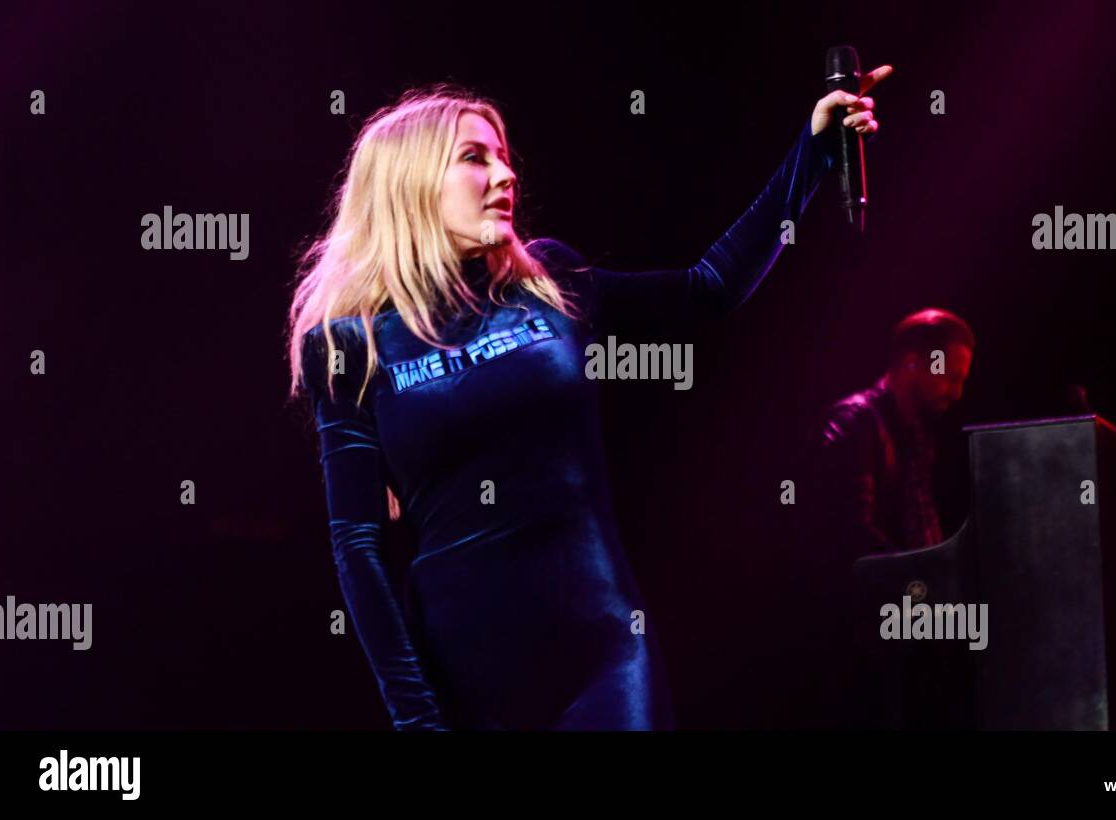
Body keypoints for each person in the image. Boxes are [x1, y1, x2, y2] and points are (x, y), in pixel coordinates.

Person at [285, 73, 891, 730]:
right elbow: (358, 546)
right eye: (474, 157)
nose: (506, 174)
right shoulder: (352, 346)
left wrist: (813, 151)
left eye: (504, 156)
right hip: (467, 677)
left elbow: (707, 288)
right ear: (410, 184)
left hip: (603, 655)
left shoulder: (549, 285)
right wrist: (416, 718)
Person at [814, 308, 975, 559]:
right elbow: (849, 532)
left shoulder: (917, 426)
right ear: (911, 363)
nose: (957, 393)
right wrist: (917, 578)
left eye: (961, 381)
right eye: (950, 378)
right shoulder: (856, 423)